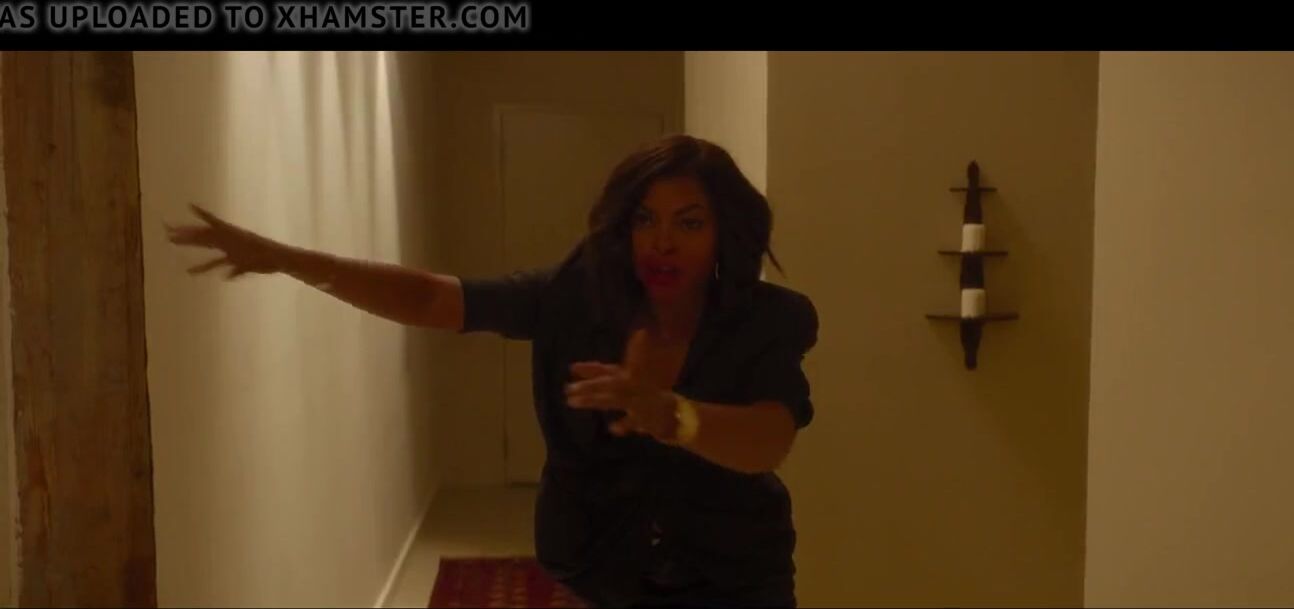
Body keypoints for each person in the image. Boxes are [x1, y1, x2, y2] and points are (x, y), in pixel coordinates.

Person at [166, 134, 819, 608]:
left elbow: (770, 438)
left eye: (689, 223)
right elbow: (435, 299)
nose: (662, 241)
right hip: (604, 570)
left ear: (724, 233)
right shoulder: (575, 298)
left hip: (736, 576)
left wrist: (673, 415)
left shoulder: (766, 320)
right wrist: (287, 259)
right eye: (645, 219)